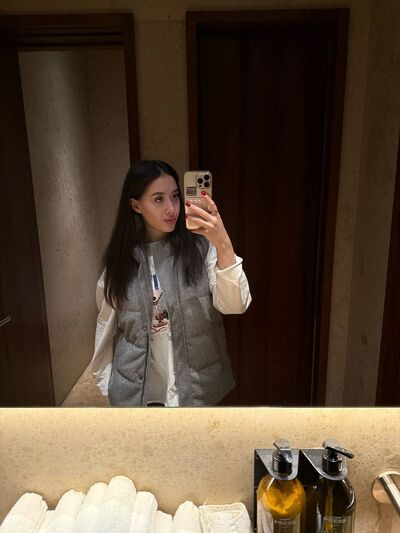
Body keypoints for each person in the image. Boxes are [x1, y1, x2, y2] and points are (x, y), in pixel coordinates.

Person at [92, 160, 251, 406]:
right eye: (159, 199)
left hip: (196, 389)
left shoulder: (200, 249)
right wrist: (106, 383)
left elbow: (235, 305)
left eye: (175, 196)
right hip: (139, 391)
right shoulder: (120, 262)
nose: (172, 208)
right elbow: (107, 326)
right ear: (136, 205)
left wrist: (222, 242)